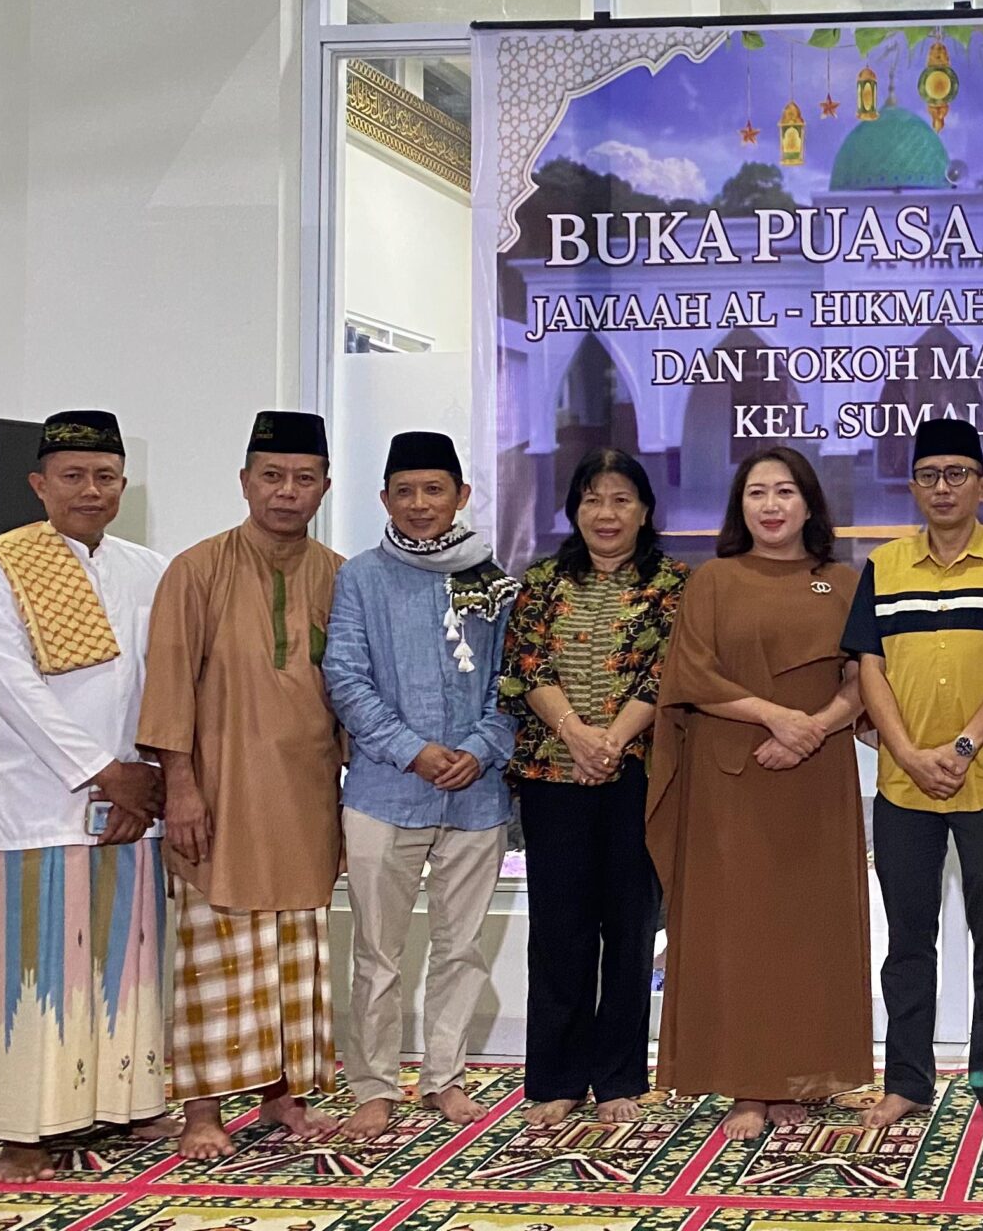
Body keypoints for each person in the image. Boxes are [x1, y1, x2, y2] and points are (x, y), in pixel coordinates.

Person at [0, 410, 173, 1181]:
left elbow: (165, 680)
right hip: (41, 801)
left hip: (136, 801)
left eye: (105, 476)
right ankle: (23, 1129)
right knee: (38, 970)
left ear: (123, 485)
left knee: (127, 963)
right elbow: (13, 689)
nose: (91, 490)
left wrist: (146, 777)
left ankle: (126, 1103)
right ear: (39, 485)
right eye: (73, 476)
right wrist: (104, 771)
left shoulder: (149, 569)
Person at [141, 410, 348, 1160]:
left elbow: (351, 693)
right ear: (244, 482)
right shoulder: (196, 570)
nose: (286, 492)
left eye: (303, 478)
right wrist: (181, 789)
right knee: (214, 954)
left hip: (306, 794)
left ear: (324, 487)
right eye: (272, 476)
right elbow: (169, 684)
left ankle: (282, 1097)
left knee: (293, 952)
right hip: (220, 793)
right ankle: (202, 1111)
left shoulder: (340, 575)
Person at [650, 447, 872, 1140]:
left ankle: (800, 1077)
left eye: (784, 492)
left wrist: (813, 729)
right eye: (756, 493)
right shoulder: (713, 580)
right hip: (731, 778)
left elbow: (867, 677)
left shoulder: (845, 581)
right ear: (739, 506)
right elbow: (692, 675)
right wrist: (777, 719)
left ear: (809, 504)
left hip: (816, 777)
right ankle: (745, 1083)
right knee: (737, 931)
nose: (770, 506)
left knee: (809, 931)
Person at [846, 417, 983, 1137]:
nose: (943, 488)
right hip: (903, 785)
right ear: (912, 487)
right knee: (908, 942)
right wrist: (906, 752)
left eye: (957, 475)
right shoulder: (884, 566)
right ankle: (906, 1081)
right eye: (930, 476)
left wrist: (963, 746)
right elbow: (868, 666)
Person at [324, 432, 520, 1140]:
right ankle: (373, 1086)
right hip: (384, 792)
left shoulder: (496, 582)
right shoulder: (361, 578)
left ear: (460, 496)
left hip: (476, 794)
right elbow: (345, 677)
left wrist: (480, 748)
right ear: (384, 499)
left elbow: (514, 680)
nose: (418, 504)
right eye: (403, 491)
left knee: (460, 948)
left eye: (433, 489)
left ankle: (445, 1077)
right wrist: (414, 752)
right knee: (377, 953)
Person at [500, 449, 686, 1128]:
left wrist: (610, 744)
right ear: (575, 509)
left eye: (620, 500)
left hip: (636, 777)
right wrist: (578, 735)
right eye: (592, 500)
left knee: (630, 928)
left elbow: (669, 673)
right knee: (559, 929)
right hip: (553, 777)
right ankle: (555, 1077)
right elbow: (524, 665)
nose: (606, 514)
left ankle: (618, 1079)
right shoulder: (542, 580)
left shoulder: (673, 583)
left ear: (645, 510)